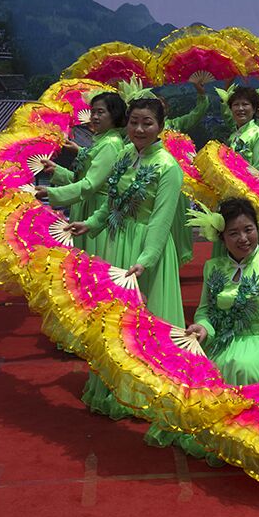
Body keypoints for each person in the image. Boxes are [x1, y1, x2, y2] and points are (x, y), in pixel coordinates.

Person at [69, 82, 185, 418]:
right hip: (116, 242)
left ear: (160, 126)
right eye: (134, 122)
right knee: (117, 322)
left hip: (146, 249)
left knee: (144, 321)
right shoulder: (124, 154)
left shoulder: (168, 167)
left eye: (148, 123)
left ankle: (145, 392)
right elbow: (111, 202)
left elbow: (161, 220)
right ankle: (115, 386)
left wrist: (146, 260)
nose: (140, 129)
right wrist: (91, 223)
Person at [185, 198, 259, 385]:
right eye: (233, 233)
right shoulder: (212, 267)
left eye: (248, 230)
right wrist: (203, 327)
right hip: (218, 345)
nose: (243, 238)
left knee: (244, 367)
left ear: (257, 229)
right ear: (222, 238)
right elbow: (205, 311)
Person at [35, 91, 126, 256]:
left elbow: (90, 185)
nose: (95, 117)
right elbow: (85, 179)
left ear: (114, 115)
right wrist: (57, 171)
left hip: (97, 209)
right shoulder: (101, 141)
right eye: (93, 112)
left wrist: (51, 192)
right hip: (87, 205)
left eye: (101, 112)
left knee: (95, 258)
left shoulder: (110, 144)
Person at [160, 74, 210, 266]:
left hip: (176, 182)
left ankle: (176, 257)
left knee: (178, 219)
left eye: (162, 106)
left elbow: (197, 113)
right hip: (152, 181)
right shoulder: (140, 130)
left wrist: (200, 92)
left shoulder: (175, 125)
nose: (159, 109)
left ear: (167, 110)